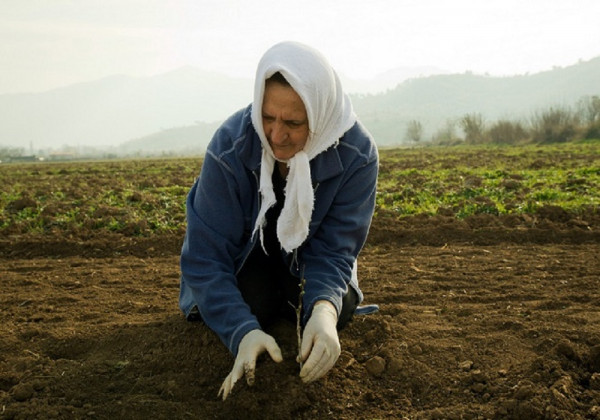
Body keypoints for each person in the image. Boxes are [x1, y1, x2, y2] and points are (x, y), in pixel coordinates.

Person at [179, 41, 378, 400]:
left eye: (293, 123)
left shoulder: (356, 155)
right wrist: (242, 332)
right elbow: (205, 258)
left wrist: (324, 310)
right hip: (246, 258)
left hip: (304, 258)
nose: (275, 135)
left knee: (339, 306)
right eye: (267, 117)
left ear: (319, 116)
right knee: (253, 305)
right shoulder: (229, 147)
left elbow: (335, 250)